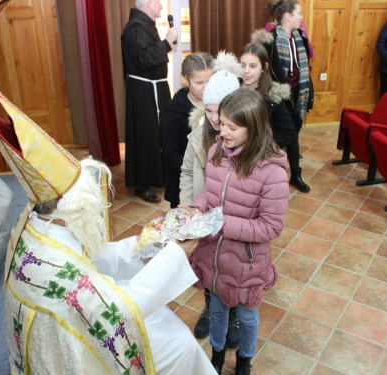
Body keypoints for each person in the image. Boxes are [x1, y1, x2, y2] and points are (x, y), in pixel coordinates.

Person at [0, 83, 217, 375]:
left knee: (164, 322)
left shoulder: (37, 224)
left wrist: (150, 244)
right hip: (73, 350)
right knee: (179, 344)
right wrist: (176, 254)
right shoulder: (59, 270)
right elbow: (118, 314)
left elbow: (90, 259)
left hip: (69, 324)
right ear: (73, 206)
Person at [189, 88, 289, 374]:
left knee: (247, 315)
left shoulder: (272, 173)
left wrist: (222, 224)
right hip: (215, 255)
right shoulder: (215, 151)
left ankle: (245, 358)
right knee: (217, 310)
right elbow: (209, 196)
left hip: (247, 261)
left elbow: (271, 226)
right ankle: (217, 354)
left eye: (233, 127)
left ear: (254, 128)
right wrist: (195, 210)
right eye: (221, 123)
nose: (223, 132)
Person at [179, 52, 242, 349]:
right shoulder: (198, 135)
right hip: (203, 215)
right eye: (210, 112)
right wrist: (188, 208)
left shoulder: (241, 137)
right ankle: (210, 306)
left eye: (221, 112)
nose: (215, 119)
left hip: (234, 222)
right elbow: (187, 173)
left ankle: (233, 316)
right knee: (206, 267)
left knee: (233, 269)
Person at [121, 0, 178, 203]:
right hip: (144, 90)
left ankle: (155, 176)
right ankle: (142, 185)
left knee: (156, 134)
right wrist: (166, 43)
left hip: (154, 87)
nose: (162, 7)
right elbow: (142, 59)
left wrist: (165, 44)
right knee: (145, 135)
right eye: (159, 3)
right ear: (149, 3)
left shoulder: (145, 26)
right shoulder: (135, 27)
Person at [252, 0, 312, 193]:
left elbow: (305, 68)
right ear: (288, 15)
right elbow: (263, 70)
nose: (301, 17)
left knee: (293, 136)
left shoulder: (299, 37)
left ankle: (295, 175)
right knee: (282, 136)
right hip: (278, 97)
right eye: (299, 13)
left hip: (297, 96)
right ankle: (270, 175)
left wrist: (308, 94)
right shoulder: (269, 39)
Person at [163, 52, 213, 208]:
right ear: (185, 79)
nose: (206, 88)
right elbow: (171, 154)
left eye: (210, 81)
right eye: (199, 82)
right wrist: (197, 173)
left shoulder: (218, 105)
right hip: (184, 184)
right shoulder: (174, 111)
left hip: (214, 183)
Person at [240, 42, 297, 157]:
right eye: (242, 65)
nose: (246, 71)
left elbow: (289, 133)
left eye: (252, 66)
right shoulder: (231, 89)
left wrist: (263, 149)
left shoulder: (272, 97)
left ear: (264, 67)